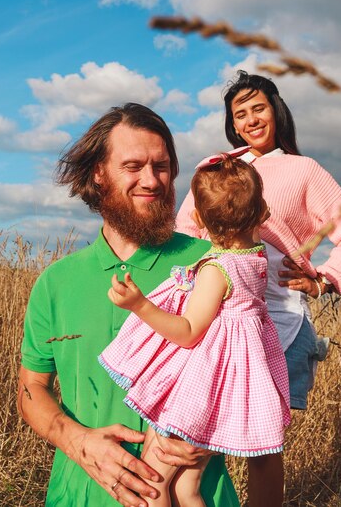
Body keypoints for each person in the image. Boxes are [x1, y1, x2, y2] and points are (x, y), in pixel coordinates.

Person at [17, 103, 239, 507]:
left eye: (163, 166)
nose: (152, 181)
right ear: (98, 173)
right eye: (133, 166)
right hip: (81, 494)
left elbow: (252, 371)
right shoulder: (56, 281)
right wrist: (79, 442)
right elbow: (31, 388)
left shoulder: (213, 264)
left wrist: (214, 432)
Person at [176, 70, 341, 507]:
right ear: (232, 123)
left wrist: (325, 280)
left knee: (263, 444)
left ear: (275, 111)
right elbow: (187, 226)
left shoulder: (304, 170)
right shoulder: (217, 167)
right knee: (200, 428)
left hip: (280, 317)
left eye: (258, 108)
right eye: (240, 114)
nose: (250, 119)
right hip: (218, 311)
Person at [99, 152, 291, 507]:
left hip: (196, 394)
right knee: (186, 490)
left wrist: (140, 305)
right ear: (263, 213)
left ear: (199, 218)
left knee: (152, 485)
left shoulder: (218, 270)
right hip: (226, 392)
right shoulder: (256, 260)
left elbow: (188, 331)